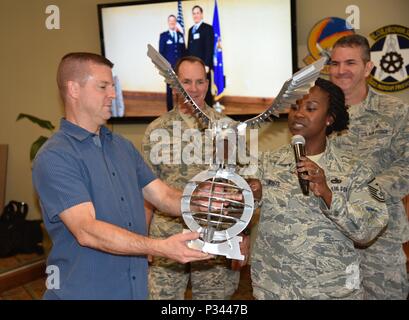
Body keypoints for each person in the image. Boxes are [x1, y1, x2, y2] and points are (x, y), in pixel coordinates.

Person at [31, 52, 211, 300]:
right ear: (73, 89)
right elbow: (87, 230)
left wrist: (207, 203)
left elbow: (163, 196)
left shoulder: (122, 147)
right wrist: (160, 247)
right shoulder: (54, 157)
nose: (113, 95)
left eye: (112, 87)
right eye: (103, 86)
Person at [251, 78, 388, 299]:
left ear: (329, 118)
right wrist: (250, 195)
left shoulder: (354, 169)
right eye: (295, 107)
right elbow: (235, 212)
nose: (299, 114)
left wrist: (327, 193)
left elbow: (369, 230)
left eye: (311, 108)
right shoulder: (267, 163)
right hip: (275, 289)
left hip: (332, 290)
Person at [142, 56, 246, 300]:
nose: (194, 89)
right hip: (166, 235)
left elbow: (240, 190)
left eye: (200, 81)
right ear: (175, 85)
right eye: (186, 82)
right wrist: (144, 239)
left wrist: (243, 237)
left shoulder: (228, 129)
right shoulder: (157, 130)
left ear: (208, 83)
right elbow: (145, 191)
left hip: (216, 235)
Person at [329, 34, 409, 299]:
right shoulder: (317, 113)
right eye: (335, 63)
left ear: (367, 67)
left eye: (350, 63)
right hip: (328, 239)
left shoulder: (396, 111)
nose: (341, 71)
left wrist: (368, 191)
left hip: (380, 238)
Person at [187, 5, 214, 106]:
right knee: (195, 91)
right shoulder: (190, 30)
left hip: (203, 67)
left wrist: (207, 65)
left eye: (197, 13)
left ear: (202, 14)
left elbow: (209, 47)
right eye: (194, 13)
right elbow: (189, 50)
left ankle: (209, 114)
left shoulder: (208, 28)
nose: (195, 15)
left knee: (205, 91)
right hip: (193, 68)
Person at [159, 14, 186, 111]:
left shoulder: (180, 35)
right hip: (168, 68)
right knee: (169, 90)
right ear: (168, 22)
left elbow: (184, 52)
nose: (172, 22)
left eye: (173, 21)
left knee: (181, 89)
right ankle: (170, 110)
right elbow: (161, 53)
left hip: (180, 68)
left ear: (175, 22)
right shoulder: (163, 36)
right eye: (170, 21)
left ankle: (181, 109)